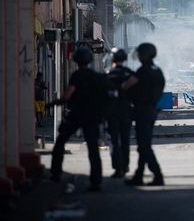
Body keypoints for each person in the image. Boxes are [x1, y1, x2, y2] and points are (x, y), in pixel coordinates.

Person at [48, 47, 103, 192]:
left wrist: (54, 103)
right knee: (93, 148)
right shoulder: (96, 76)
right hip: (92, 116)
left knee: (60, 142)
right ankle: (96, 181)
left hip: (77, 114)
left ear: (76, 60)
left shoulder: (76, 76)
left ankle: (55, 174)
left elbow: (67, 96)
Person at [122, 43, 165, 186]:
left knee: (144, 146)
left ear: (145, 55)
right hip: (152, 110)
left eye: (140, 54)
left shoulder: (143, 70)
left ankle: (157, 174)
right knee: (143, 144)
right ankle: (139, 175)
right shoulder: (157, 70)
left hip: (142, 111)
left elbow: (127, 85)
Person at [106, 48, 134, 178]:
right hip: (126, 112)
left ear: (112, 59)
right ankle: (126, 165)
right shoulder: (129, 74)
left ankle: (118, 168)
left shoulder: (108, 74)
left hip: (111, 112)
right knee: (125, 140)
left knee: (114, 141)